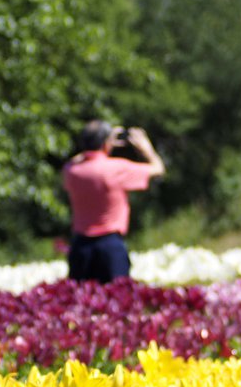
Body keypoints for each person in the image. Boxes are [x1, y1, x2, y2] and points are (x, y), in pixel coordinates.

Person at [62, 120, 165, 283]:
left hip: (80, 247)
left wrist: (98, 146)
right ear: (106, 143)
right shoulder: (116, 169)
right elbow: (158, 168)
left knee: (78, 300)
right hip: (110, 246)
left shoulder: (72, 172)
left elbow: (73, 161)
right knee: (116, 297)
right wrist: (146, 148)